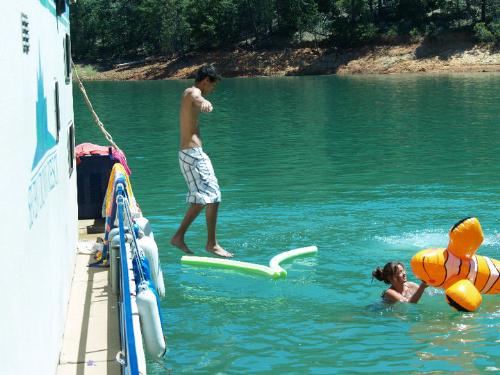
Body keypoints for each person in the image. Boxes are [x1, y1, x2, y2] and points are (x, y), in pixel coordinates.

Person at [170, 65, 233, 258]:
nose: (212, 90)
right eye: (212, 85)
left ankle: (178, 237)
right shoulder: (193, 92)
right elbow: (198, 98)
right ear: (206, 80)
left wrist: (204, 101)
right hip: (193, 155)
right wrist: (205, 102)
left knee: (203, 199)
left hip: (191, 154)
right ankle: (211, 244)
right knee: (213, 194)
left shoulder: (190, 93)